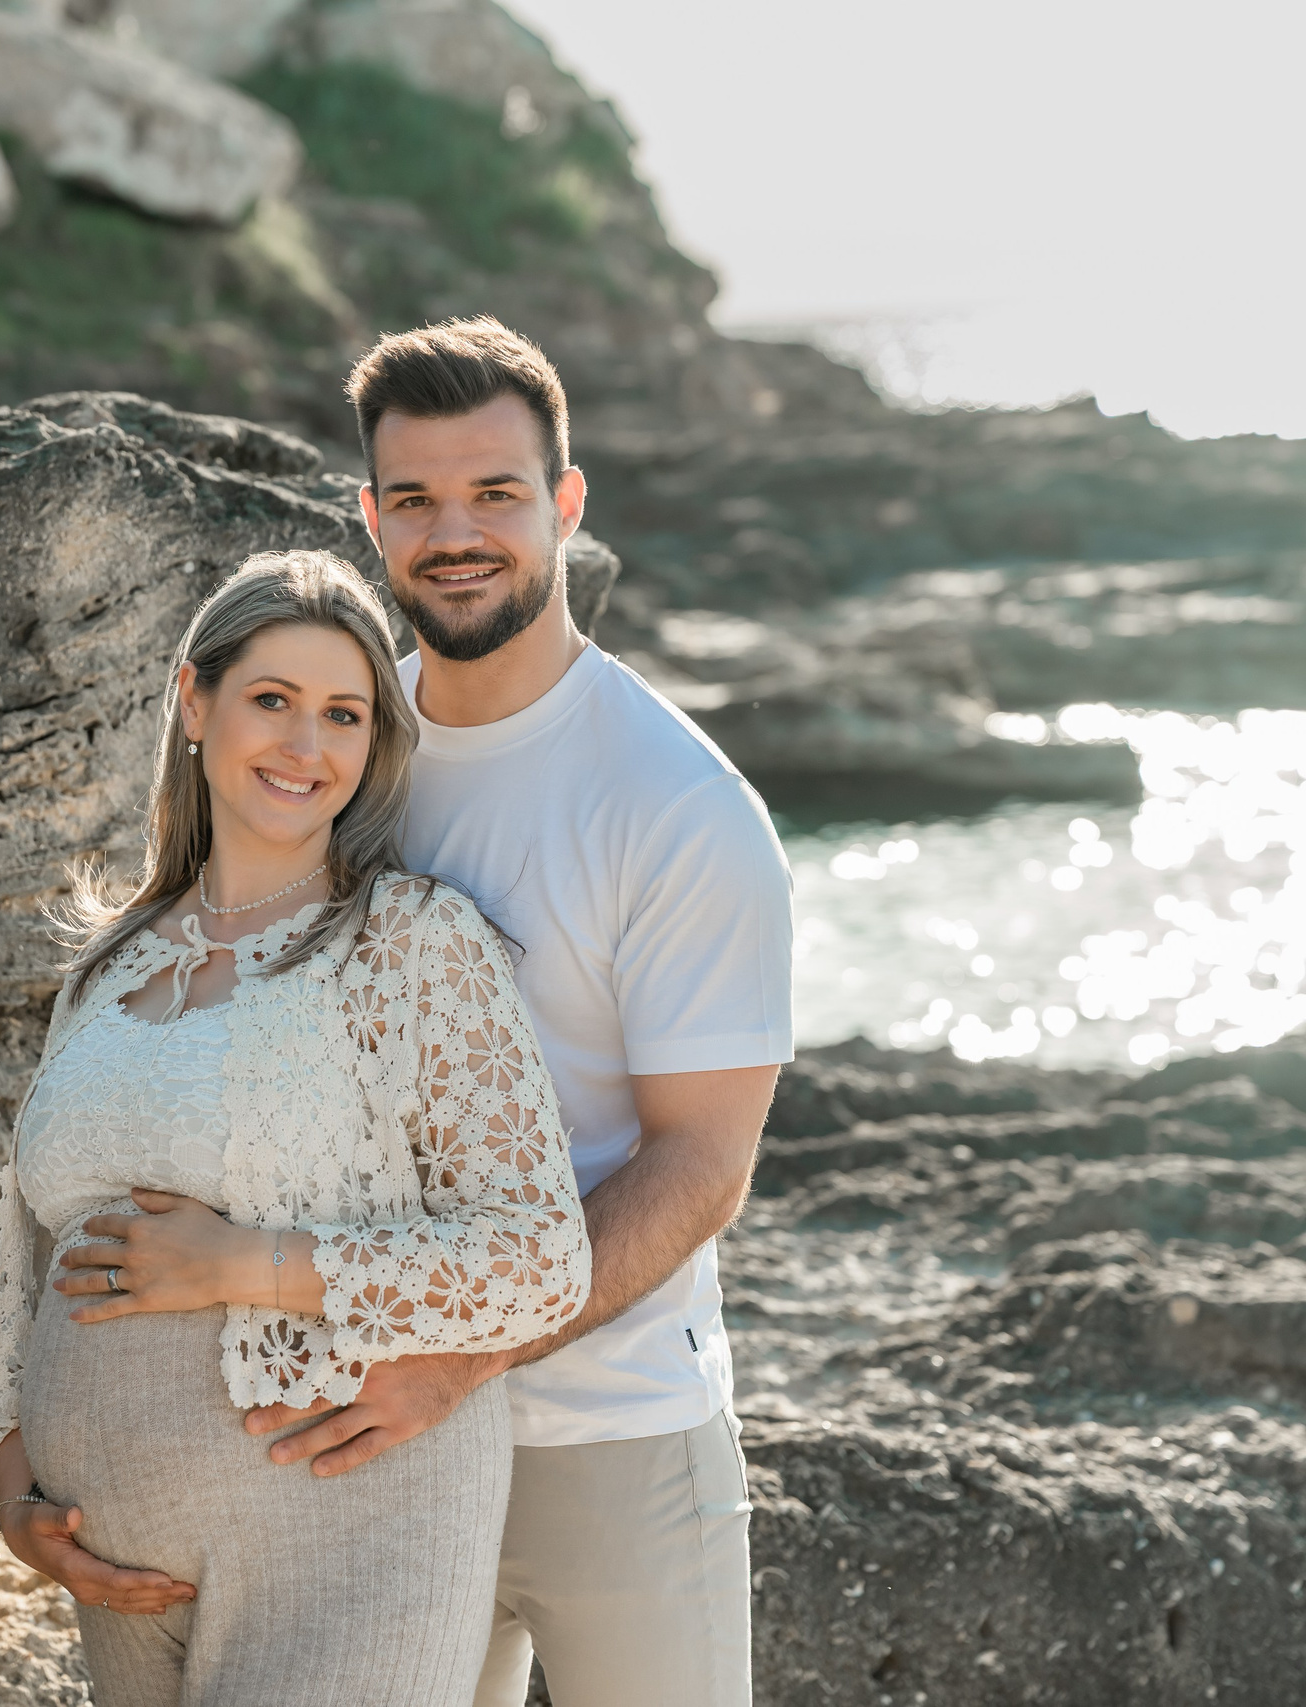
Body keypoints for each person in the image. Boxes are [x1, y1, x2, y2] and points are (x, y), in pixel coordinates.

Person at [241, 318, 795, 1707]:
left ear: (566, 502)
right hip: (369, 1430)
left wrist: (460, 1357)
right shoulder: (334, 761)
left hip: (611, 1433)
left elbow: (700, 1161)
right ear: (370, 517)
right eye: (416, 498)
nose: (456, 533)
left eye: (495, 492)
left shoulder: (677, 804)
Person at [0, 549, 594, 1706]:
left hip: (345, 1524)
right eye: (272, 700)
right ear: (194, 703)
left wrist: (246, 1266)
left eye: (343, 715)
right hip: (116, 1568)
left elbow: (538, 1258)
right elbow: (27, 1258)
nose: (307, 745)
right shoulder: (109, 962)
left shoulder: (411, 943)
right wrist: (12, 1490)